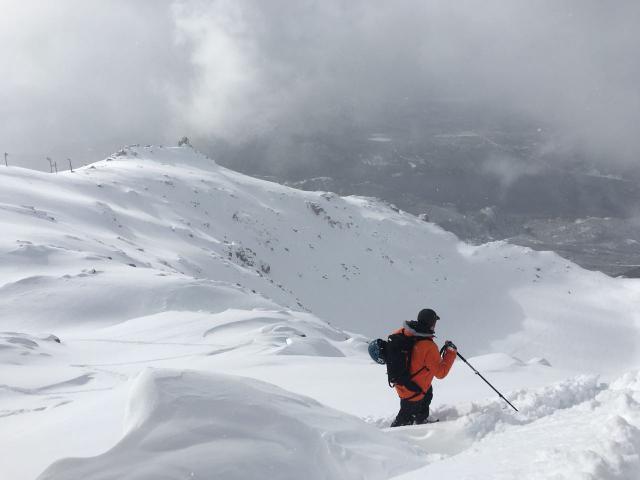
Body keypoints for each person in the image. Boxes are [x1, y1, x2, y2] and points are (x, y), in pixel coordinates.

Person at [390, 308, 457, 427]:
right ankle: (389, 441)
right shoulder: (428, 346)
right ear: (432, 323)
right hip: (413, 390)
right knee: (404, 421)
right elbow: (441, 373)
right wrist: (451, 353)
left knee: (427, 393)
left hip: (401, 380)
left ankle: (421, 418)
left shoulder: (402, 332)